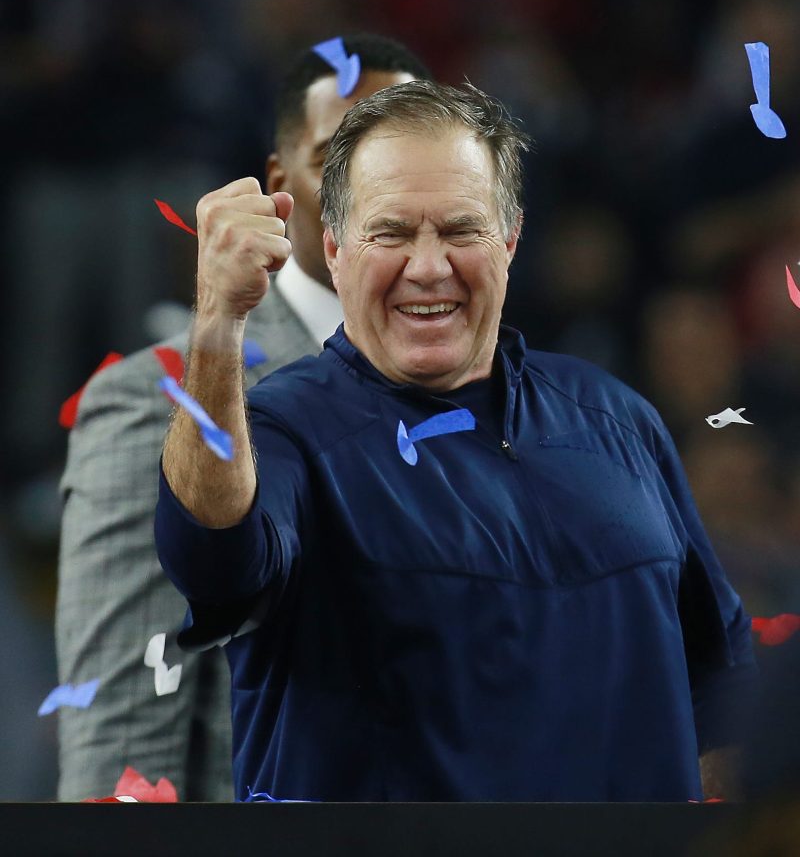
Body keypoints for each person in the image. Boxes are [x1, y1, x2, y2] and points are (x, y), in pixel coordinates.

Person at [155, 80, 757, 802]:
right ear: (335, 249)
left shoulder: (617, 418)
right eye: (391, 233)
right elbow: (211, 556)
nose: (428, 266)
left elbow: (718, 677)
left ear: (510, 239)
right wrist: (219, 319)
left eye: (461, 230)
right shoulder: (285, 431)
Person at [55, 34, 431, 802]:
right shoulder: (157, 400)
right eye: (340, 160)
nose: (377, 195)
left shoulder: (494, 393)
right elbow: (121, 759)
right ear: (279, 185)